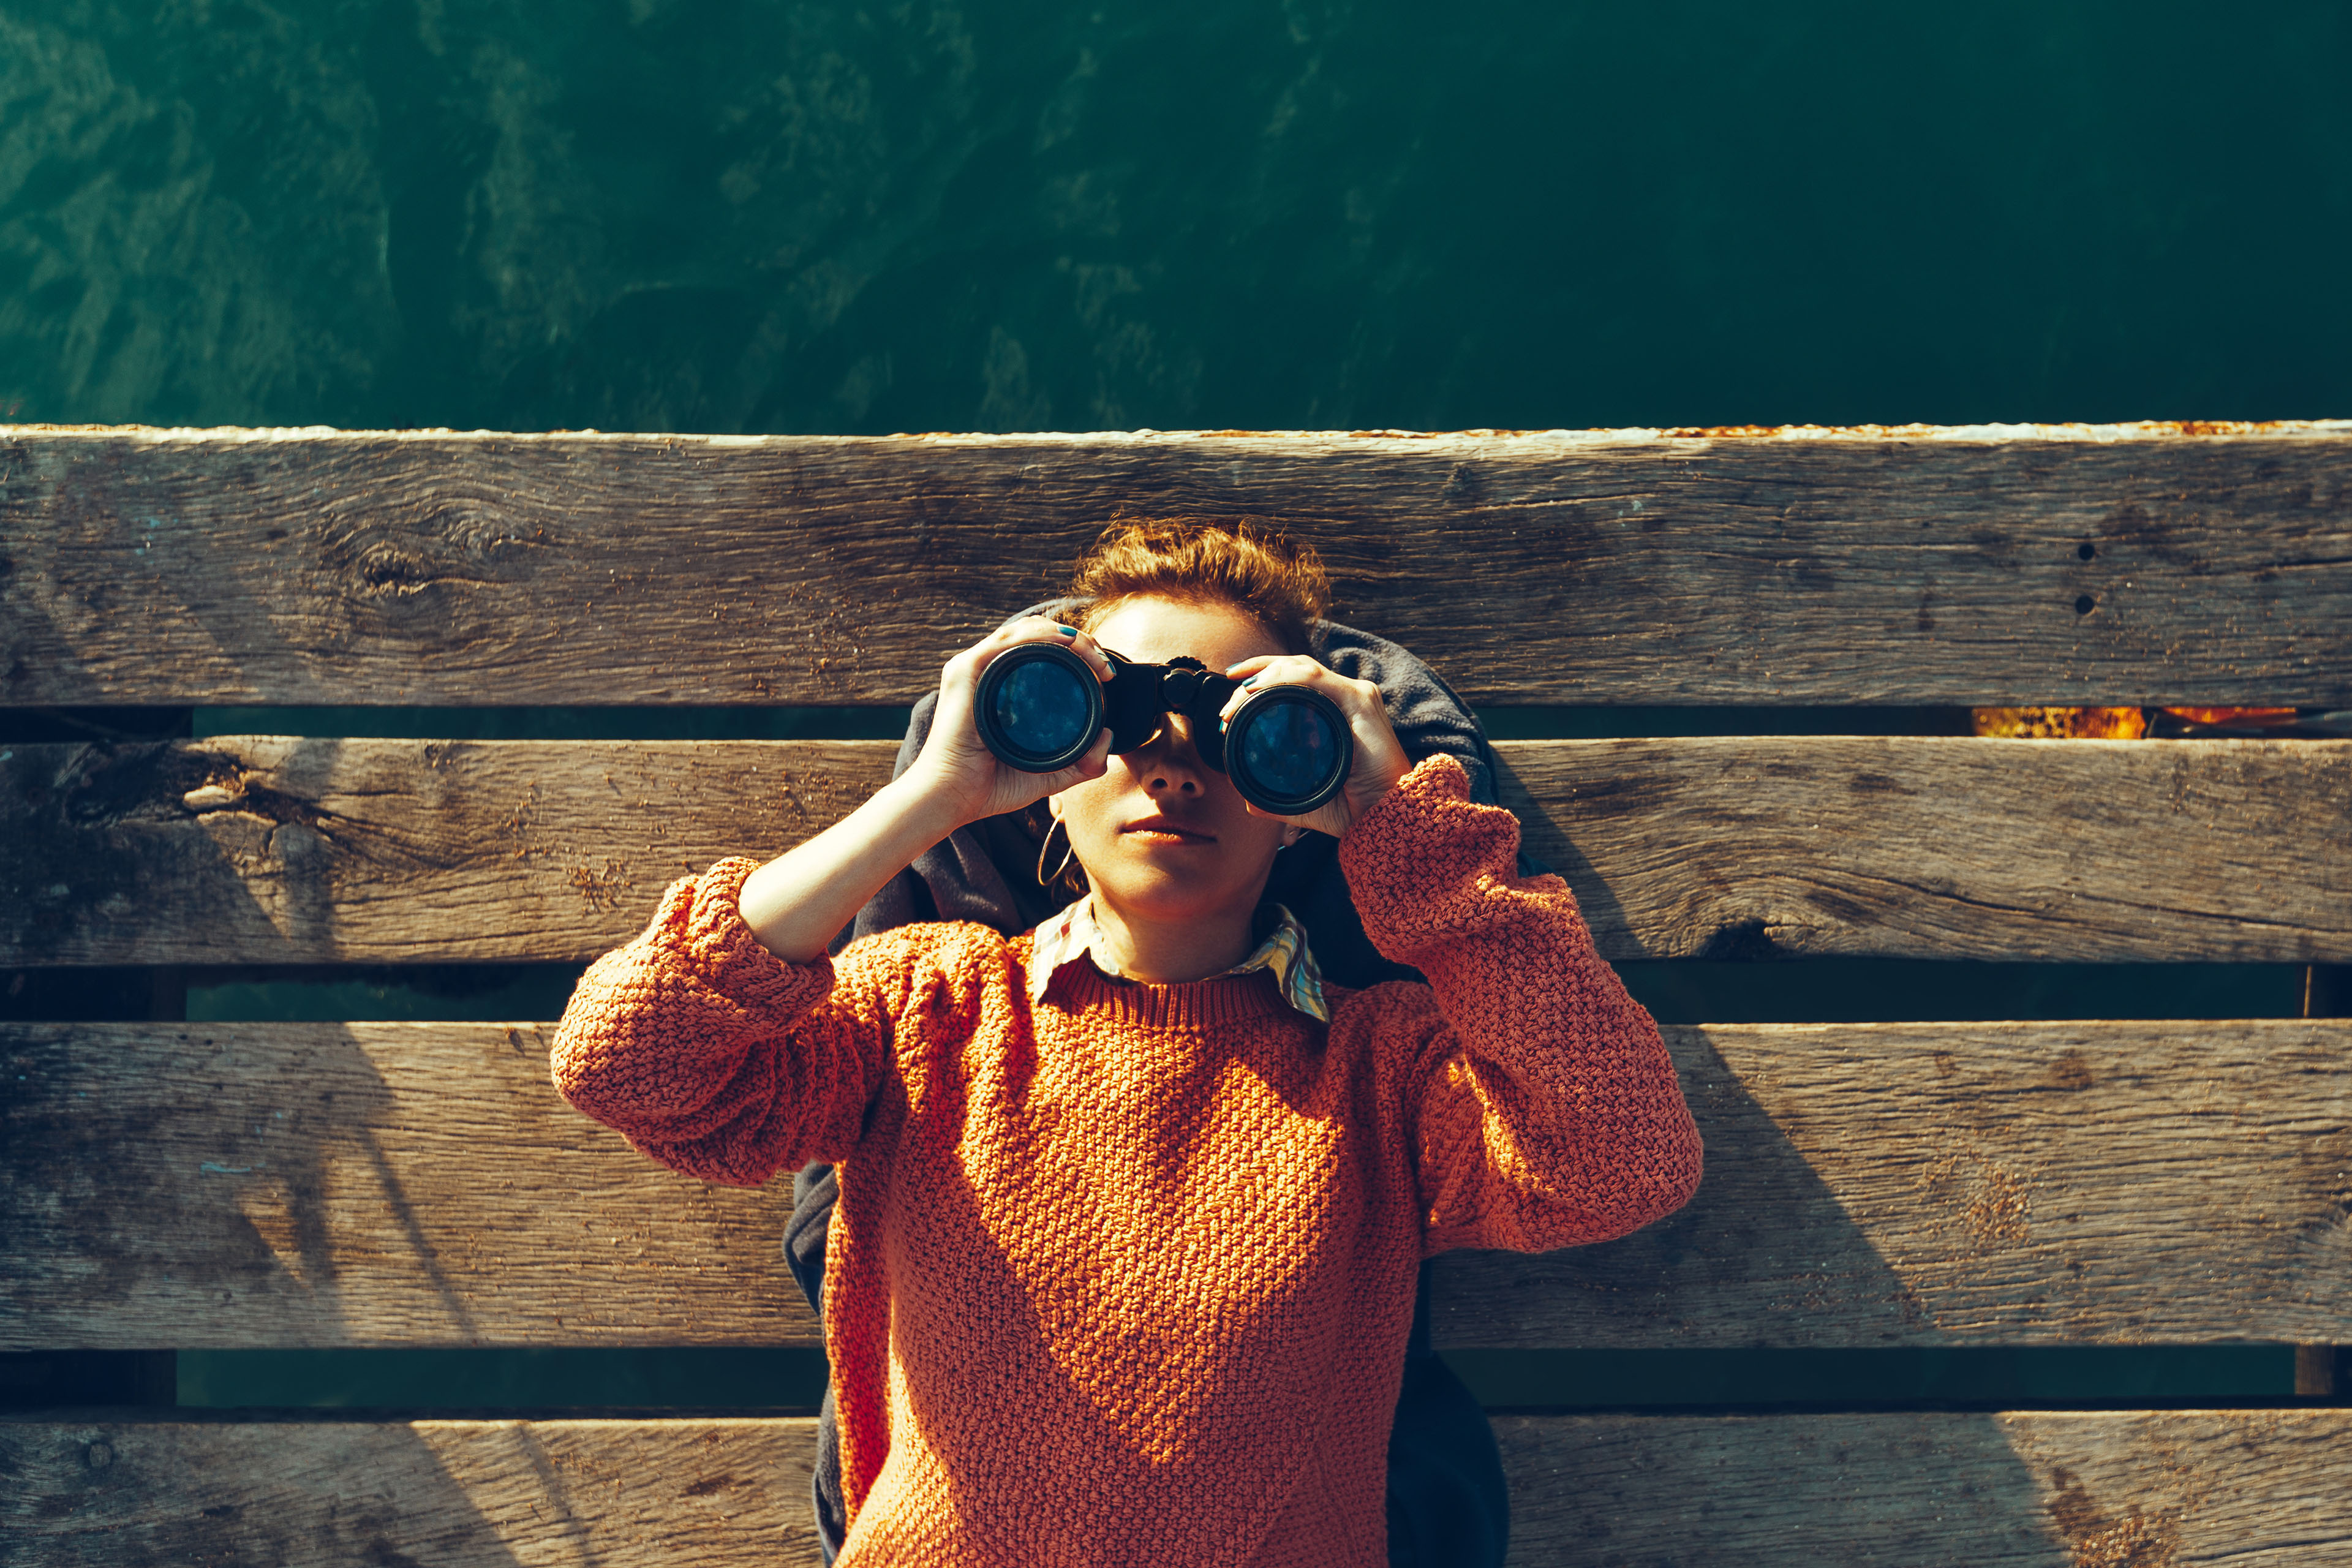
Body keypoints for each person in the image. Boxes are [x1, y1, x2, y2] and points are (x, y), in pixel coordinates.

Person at [550, 520, 1704, 1568]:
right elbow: (627, 1059)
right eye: (1107, 728)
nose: (1170, 764)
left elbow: (1621, 1163)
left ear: (1301, 796)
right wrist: (932, 795)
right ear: (1043, 784)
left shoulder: (1380, 1065)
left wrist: (1412, 834)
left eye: (1242, 736)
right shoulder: (927, 1007)